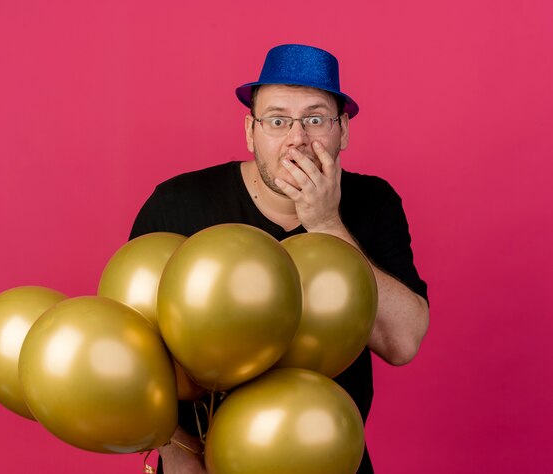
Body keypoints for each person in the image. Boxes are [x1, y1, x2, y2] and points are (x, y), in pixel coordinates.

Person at [130, 44, 429, 474]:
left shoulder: (374, 203)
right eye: (277, 120)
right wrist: (178, 454)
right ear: (251, 131)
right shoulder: (177, 204)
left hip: (325, 455)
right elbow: (135, 350)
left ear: (342, 131)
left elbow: (403, 343)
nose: (297, 139)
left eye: (315, 119)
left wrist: (327, 223)